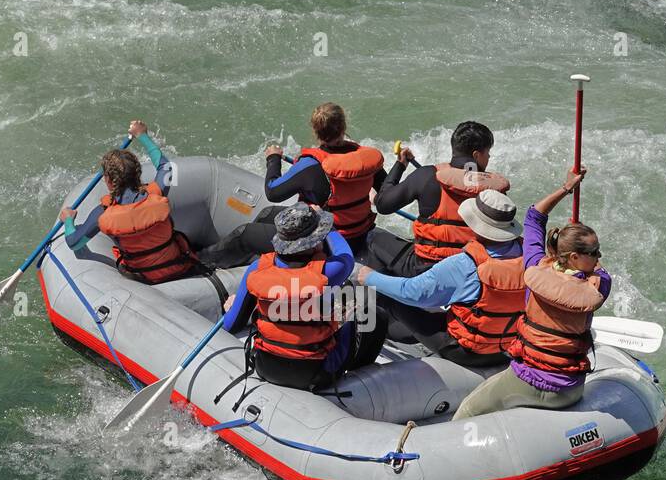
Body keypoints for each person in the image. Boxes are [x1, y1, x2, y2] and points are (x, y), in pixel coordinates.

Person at [453, 166, 609, 419]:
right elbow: (600, 270)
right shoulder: (599, 284)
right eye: (595, 252)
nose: (599, 257)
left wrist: (566, 187)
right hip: (570, 390)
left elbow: (534, 216)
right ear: (575, 257)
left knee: (469, 409)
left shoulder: (535, 265)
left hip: (527, 380)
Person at [221, 204, 387, 391]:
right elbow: (345, 255)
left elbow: (230, 324)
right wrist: (327, 225)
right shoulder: (330, 271)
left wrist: (231, 307)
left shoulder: (257, 269)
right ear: (315, 240)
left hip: (265, 367)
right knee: (374, 315)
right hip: (317, 374)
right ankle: (361, 383)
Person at [353, 188, 525, 367]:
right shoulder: (531, 257)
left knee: (389, 298)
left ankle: (362, 355)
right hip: (507, 349)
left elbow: (412, 293)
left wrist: (368, 276)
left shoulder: (464, 265)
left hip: (465, 352)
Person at [199, 103, 386, 267]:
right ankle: (268, 258)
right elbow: (386, 193)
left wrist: (273, 159)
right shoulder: (363, 159)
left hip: (323, 241)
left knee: (245, 233)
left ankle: (200, 262)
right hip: (358, 236)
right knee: (267, 214)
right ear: (344, 126)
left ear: (315, 131)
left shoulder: (310, 165)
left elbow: (272, 191)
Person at [58, 120, 203, 284]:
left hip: (144, 279)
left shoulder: (103, 214)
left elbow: (74, 243)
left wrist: (68, 220)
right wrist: (142, 135)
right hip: (179, 266)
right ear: (137, 173)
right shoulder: (157, 194)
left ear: (109, 181)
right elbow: (167, 167)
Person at [366, 120, 511, 278]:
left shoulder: (427, 175)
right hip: (471, 270)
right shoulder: (493, 190)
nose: (488, 157)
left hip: (426, 268)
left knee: (373, 237)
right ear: (476, 155)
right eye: (487, 153)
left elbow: (383, 205)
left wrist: (400, 164)